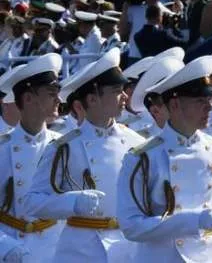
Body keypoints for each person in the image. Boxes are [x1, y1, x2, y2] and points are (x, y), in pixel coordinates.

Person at [115, 55, 212, 263]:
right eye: (200, 101)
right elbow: (131, 226)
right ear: (174, 105)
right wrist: (190, 221)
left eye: (209, 99)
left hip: (211, 256)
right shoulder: (142, 157)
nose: (209, 107)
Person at [24, 48, 145, 262]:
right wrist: (72, 202)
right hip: (81, 249)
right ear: (92, 99)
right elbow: (33, 202)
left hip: (127, 247)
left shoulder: (137, 143)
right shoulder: (64, 147)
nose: (125, 96)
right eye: (117, 90)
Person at [0, 54, 64, 262]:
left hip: (56, 248)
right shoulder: (3, 147)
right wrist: (6, 247)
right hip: (12, 245)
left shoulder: (65, 146)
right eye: (51, 93)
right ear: (28, 98)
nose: (59, 100)